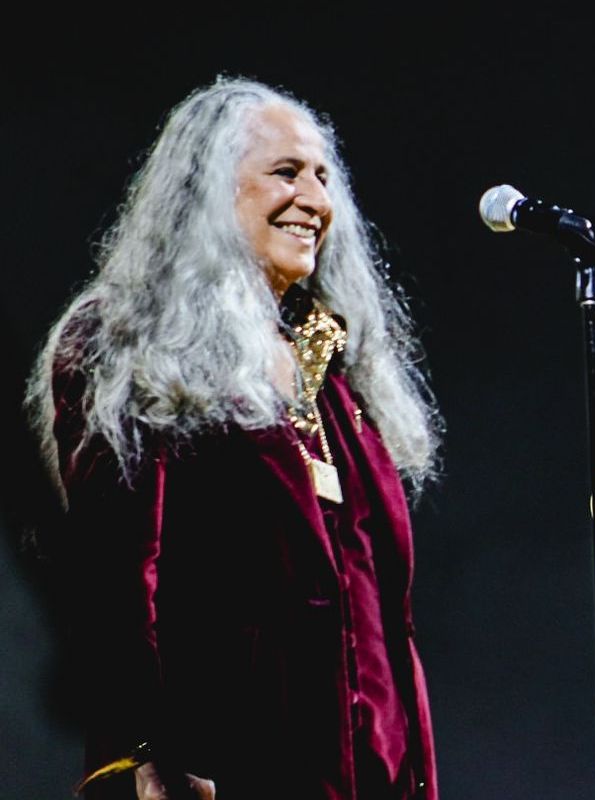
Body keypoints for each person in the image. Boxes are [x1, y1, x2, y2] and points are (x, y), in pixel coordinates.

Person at [25, 77, 443, 800]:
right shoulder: (129, 343)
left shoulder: (337, 373)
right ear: (209, 192)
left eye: (321, 176)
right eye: (285, 172)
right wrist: (143, 754)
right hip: (220, 771)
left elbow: (384, 619)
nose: (316, 201)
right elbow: (112, 578)